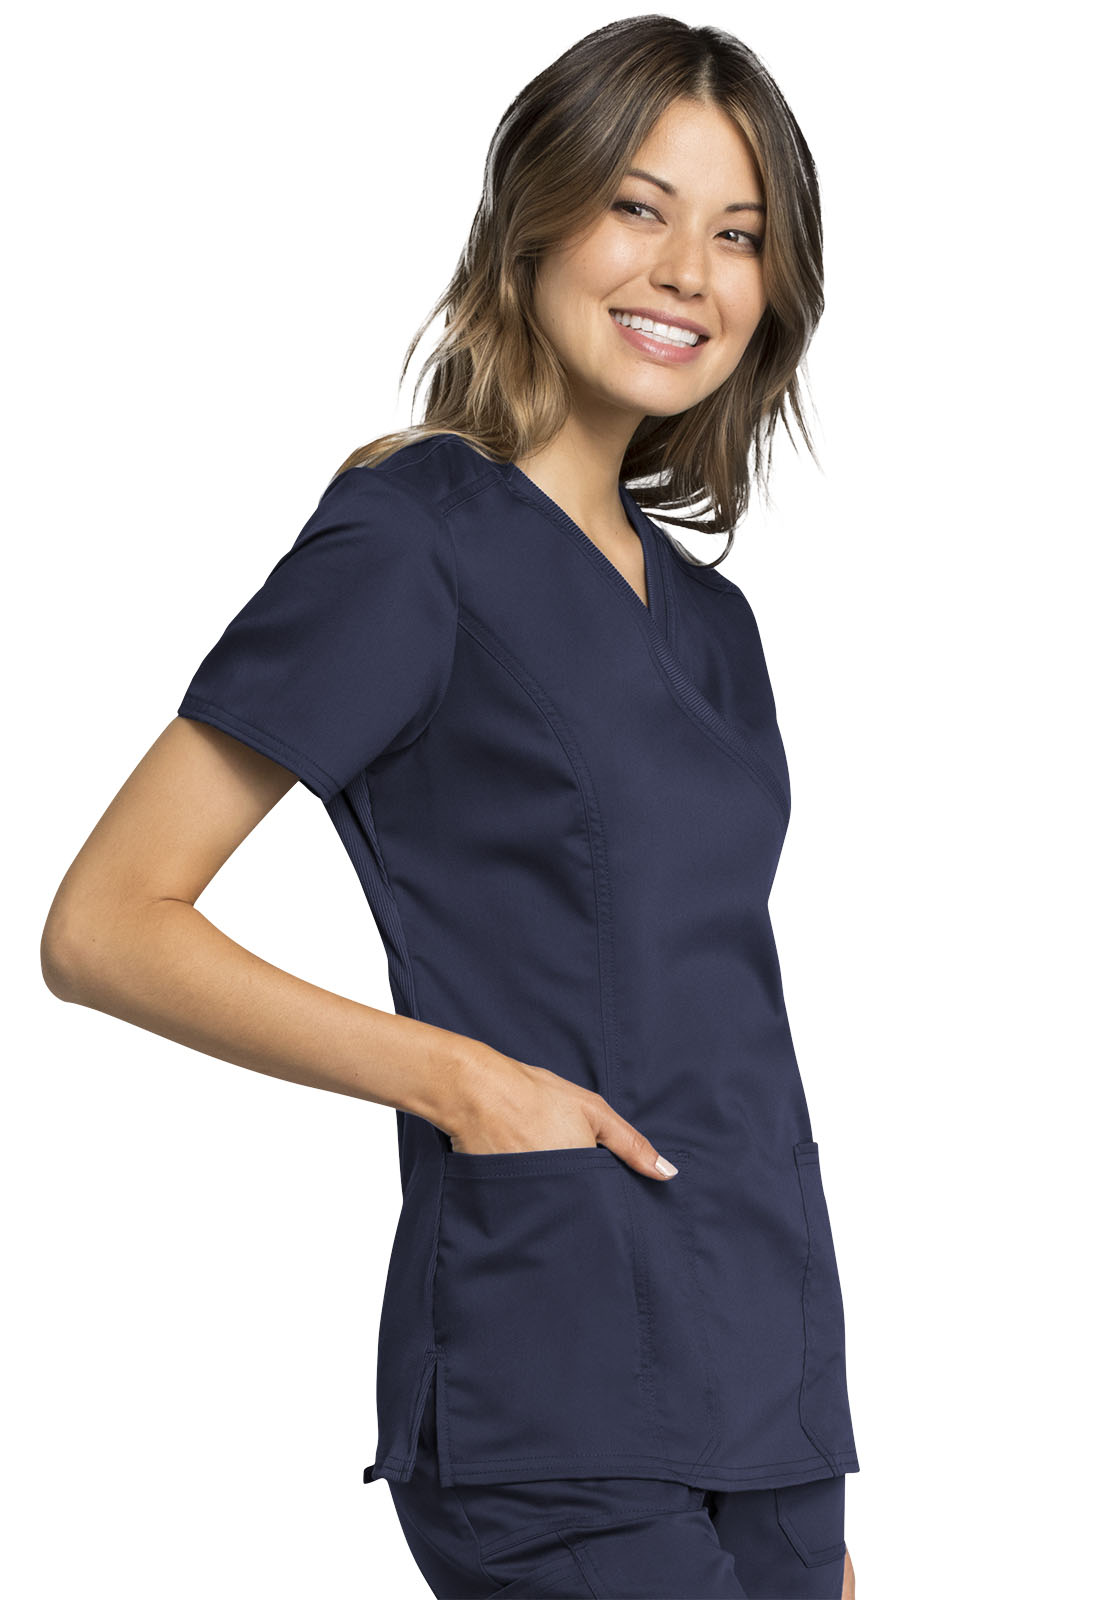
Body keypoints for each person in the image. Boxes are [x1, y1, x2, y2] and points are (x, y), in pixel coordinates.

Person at [41, 15, 860, 1599]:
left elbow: (719, 1017)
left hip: (769, 1373)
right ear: (535, 220)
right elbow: (106, 924)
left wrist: (803, 1448)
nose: (686, 270)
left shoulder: (716, 625)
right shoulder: (412, 538)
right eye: (638, 207)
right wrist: (465, 1083)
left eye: (738, 233)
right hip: (556, 1370)